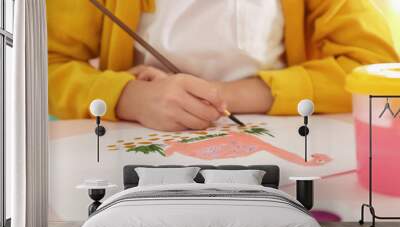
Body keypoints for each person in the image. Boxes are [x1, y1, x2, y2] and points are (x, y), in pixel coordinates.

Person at [47, 0, 398, 131]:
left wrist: (224, 95)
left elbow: (378, 69)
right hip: (140, 133)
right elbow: (41, 66)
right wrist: (129, 98)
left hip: (277, 129)